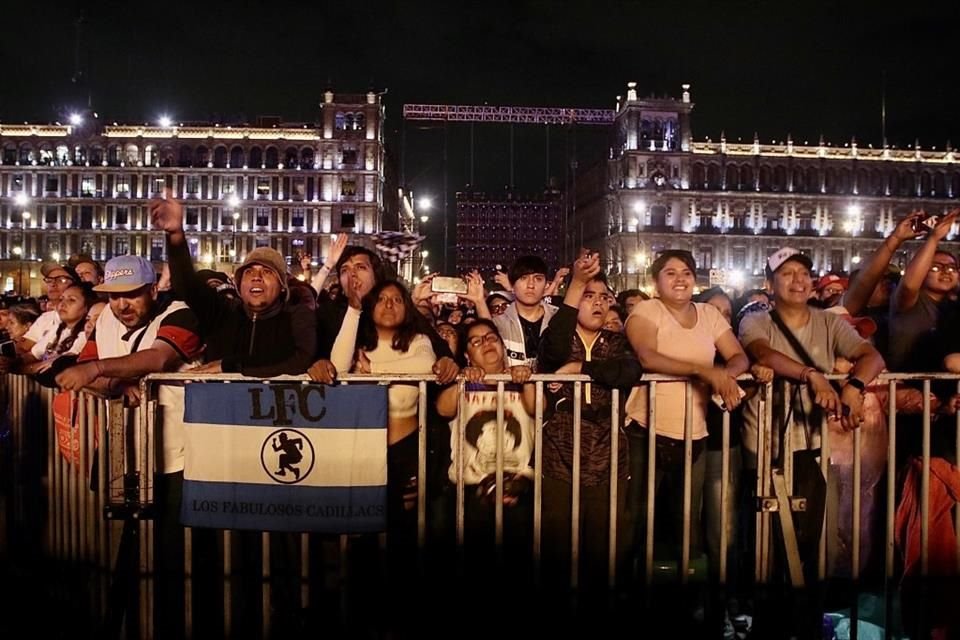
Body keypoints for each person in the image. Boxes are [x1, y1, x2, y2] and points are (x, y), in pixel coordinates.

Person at [55, 254, 204, 640]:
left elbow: (157, 358)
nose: (123, 305)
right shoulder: (105, 317)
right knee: (121, 550)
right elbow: (82, 373)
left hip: (175, 455)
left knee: (172, 556)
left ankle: (172, 625)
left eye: (133, 294)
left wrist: (100, 371)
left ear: (153, 289)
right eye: (115, 296)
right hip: (123, 451)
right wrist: (114, 383)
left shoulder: (181, 313)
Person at [738, 247, 884, 585]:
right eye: (787, 273)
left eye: (803, 273)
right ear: (770, 284)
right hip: (765, 446)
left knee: (817, 540)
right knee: (768, 542)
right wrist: (811, 374)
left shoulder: (828, 321)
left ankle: (807, 615)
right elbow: (763, 352)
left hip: (814, 445)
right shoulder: (755, 320)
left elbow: (871, 356)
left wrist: (854, 386)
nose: (798, 280)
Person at [623, 250, 749, 583]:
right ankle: (623, 588)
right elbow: (647, 356)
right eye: (670, 272)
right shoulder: (647, 310)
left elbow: (737, 356)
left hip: (694, 431)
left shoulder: (708, 314)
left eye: (687, 272)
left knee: (687, 518)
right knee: (635, 516)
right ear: (656, 281)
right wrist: (704, 371)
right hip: (646, 428)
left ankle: (685, 600)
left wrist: (727, 375)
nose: (680, 278)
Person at [537, 251, 643, 591]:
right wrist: (576, 282)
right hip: (558, 458)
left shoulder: (616, 342)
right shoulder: (559, 341)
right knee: (557, 548)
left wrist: (581, 369)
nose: (597, 304)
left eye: (603, 298)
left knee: (603, 549)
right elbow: (553, 350)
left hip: (607, 458)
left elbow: (627, 371)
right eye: (588, 296)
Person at [149, 188, 316, 377]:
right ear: (238, 284)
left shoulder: (297, 317)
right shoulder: (222, 313)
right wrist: (176, 236)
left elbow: (300, 360)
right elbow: (188, 284)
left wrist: (230, 365)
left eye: (267, 272)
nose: (256, 276)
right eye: (249, 271)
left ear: (282, 287)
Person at [435, 319, 536, 574]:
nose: (486, 344)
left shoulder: (521, 381)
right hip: (470, 491)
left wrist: (525, 379)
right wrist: (460, 379)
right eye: (476, 341)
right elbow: (443, 408)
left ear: (502, 346)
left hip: (518, 489)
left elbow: (539, 407)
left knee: (518, 568)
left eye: (491, 338)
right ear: (468, 355)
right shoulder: (464, 383)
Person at [492, 255, 558, 369]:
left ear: (546, 285)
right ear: (512, 285)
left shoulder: (558, 318)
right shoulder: (498, 324)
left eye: (538, 279)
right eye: (523, 278)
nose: (531, 285)